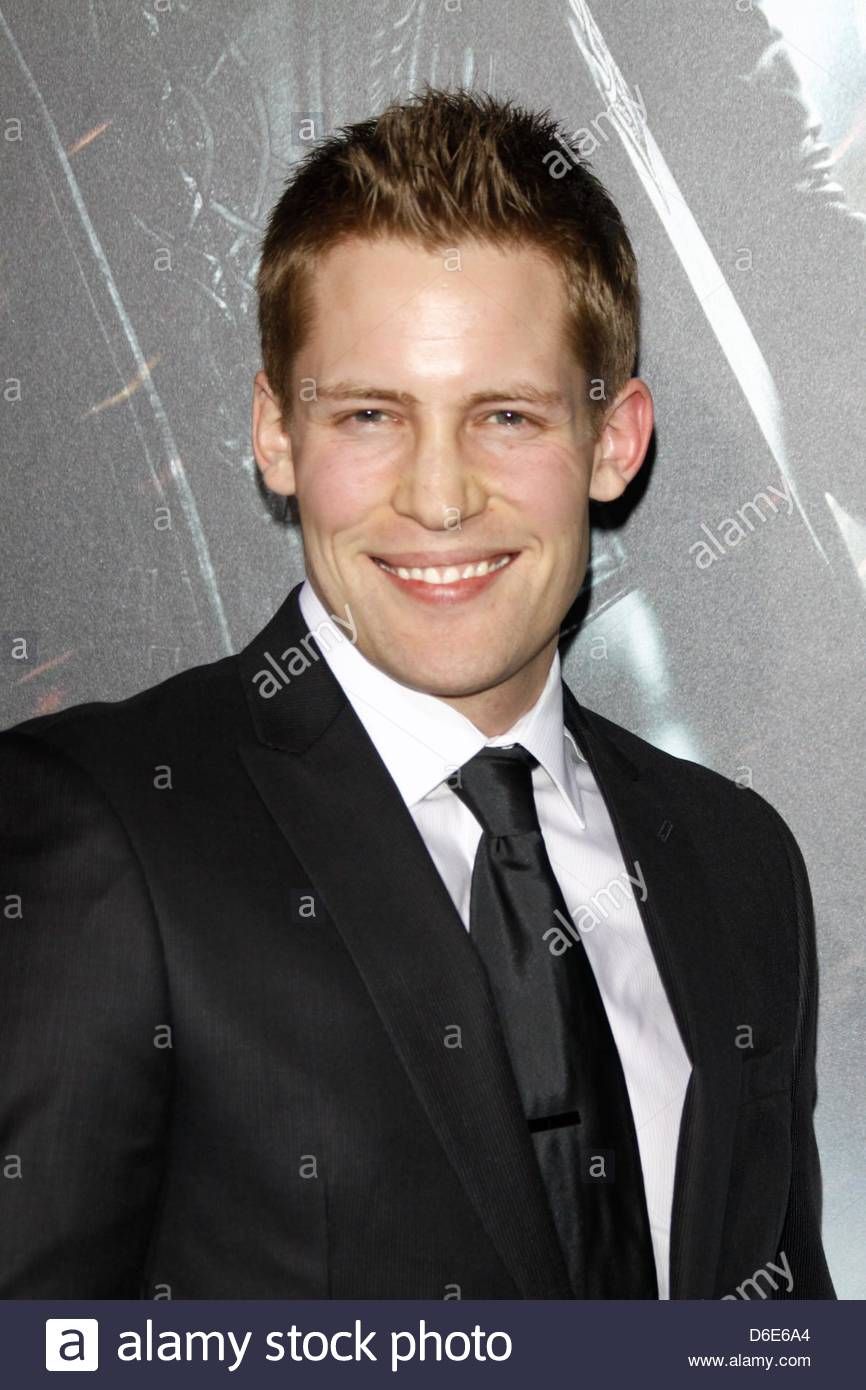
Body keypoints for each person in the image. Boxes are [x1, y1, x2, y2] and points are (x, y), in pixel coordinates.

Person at [0, 87, 834, 1300]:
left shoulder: (736, 862)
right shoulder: (100, 827)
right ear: (275, 435)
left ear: (613, 441)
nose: (439, 499)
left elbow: (771, 1341)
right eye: (369, 415)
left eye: (505, 415)